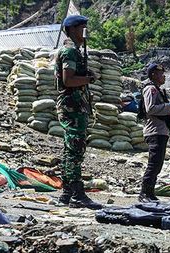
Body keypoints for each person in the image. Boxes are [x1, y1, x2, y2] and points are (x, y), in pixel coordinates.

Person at [54, 14, 100, 209]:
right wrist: (88, 80)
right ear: (72, 30)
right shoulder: (70, 51)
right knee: (75, 150)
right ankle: (77, 194)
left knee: (70, 150)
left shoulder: (75, 51)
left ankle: (67, 193)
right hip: (72, 106)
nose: (84, 33)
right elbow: (68, 80)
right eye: (81, 29)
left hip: (74, 105)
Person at [139, 63, 170, 202]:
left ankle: (150, 193)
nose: (163, 76)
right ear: (153, 74)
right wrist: (168, 107)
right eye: (160, 73)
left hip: (160, 131)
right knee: (153, 164)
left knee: (158, 165)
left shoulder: (158, 90)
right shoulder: (151, 89)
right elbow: (150, 109)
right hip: (154, 131)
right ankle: (144, 193)